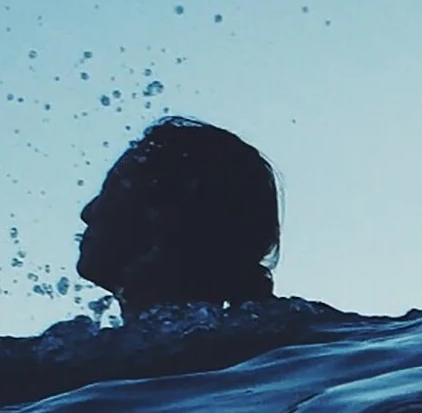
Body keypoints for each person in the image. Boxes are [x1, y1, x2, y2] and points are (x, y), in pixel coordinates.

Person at [76, 117, 281, 314]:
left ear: (160, 220)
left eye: (111, 193)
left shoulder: (106, 348)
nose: (87, 212)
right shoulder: (270, 338)